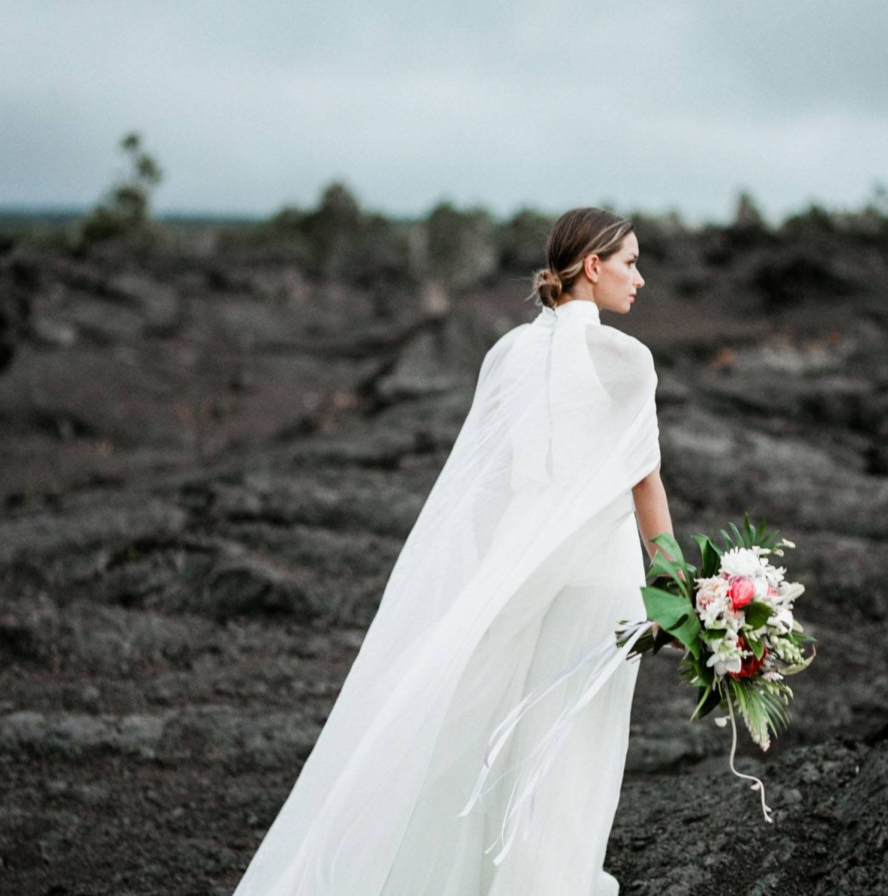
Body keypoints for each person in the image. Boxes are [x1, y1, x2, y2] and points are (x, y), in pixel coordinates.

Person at [231, 207, 677, 896]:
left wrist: (481, 583)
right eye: (630, 263)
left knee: (498, 747)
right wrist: (680, 588)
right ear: (594, 266)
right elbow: (645, 484)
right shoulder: (627, 359)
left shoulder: (507, 354)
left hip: (517, 577)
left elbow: (487, 487)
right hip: (599, 588)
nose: (639, 279)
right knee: (570, 757)